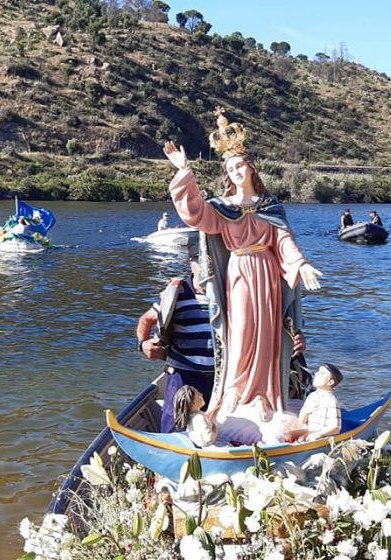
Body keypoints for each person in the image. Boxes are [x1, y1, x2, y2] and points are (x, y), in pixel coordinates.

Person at [162, 107, 323, 427]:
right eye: (230, 167)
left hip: (267, 275)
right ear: (227, 174)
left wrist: (300, 264)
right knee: (241, 334)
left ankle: (264, 396)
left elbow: (283, 240)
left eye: (240, 165)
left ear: (250, 169)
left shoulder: (270, 207)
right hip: (238, 275)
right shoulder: (222, 209)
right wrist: (184, 172)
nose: (236, 170)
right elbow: (195, 214)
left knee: (267, 334)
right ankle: (236, 395)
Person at [136, 250, 308, 433]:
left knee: (221, 428)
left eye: (210, 262)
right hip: (184, 373)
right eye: (200, 261)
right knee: (175, 427)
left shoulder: (233, 293)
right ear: (190, 263)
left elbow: (271, 327)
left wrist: (294, 339)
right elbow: (146, 320)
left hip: (226, 377)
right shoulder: (176, 293)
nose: (205, 268)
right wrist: (143, 344)